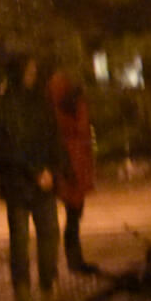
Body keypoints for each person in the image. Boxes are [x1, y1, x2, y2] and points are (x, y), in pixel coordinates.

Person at [0, 55, 68, 301]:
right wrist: (37, 172)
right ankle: (23, 286)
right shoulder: (1, 107)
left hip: (38, 181)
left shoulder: (40, 103)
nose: (32, 76)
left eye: (34, 71)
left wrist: (52, 170)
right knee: (21, 238)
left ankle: (46, 283)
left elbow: (53, 137)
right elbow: (4, 146)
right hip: (18, 182)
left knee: (48, 234)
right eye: (28, 71)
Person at [47, 68, 99, 274]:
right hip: (73, 164)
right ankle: (74, 260)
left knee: (70, 216)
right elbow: (83, 129)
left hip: (66, 163)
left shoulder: (50, 107)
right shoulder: (73, 105)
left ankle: (70, 260)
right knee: (73, 216)